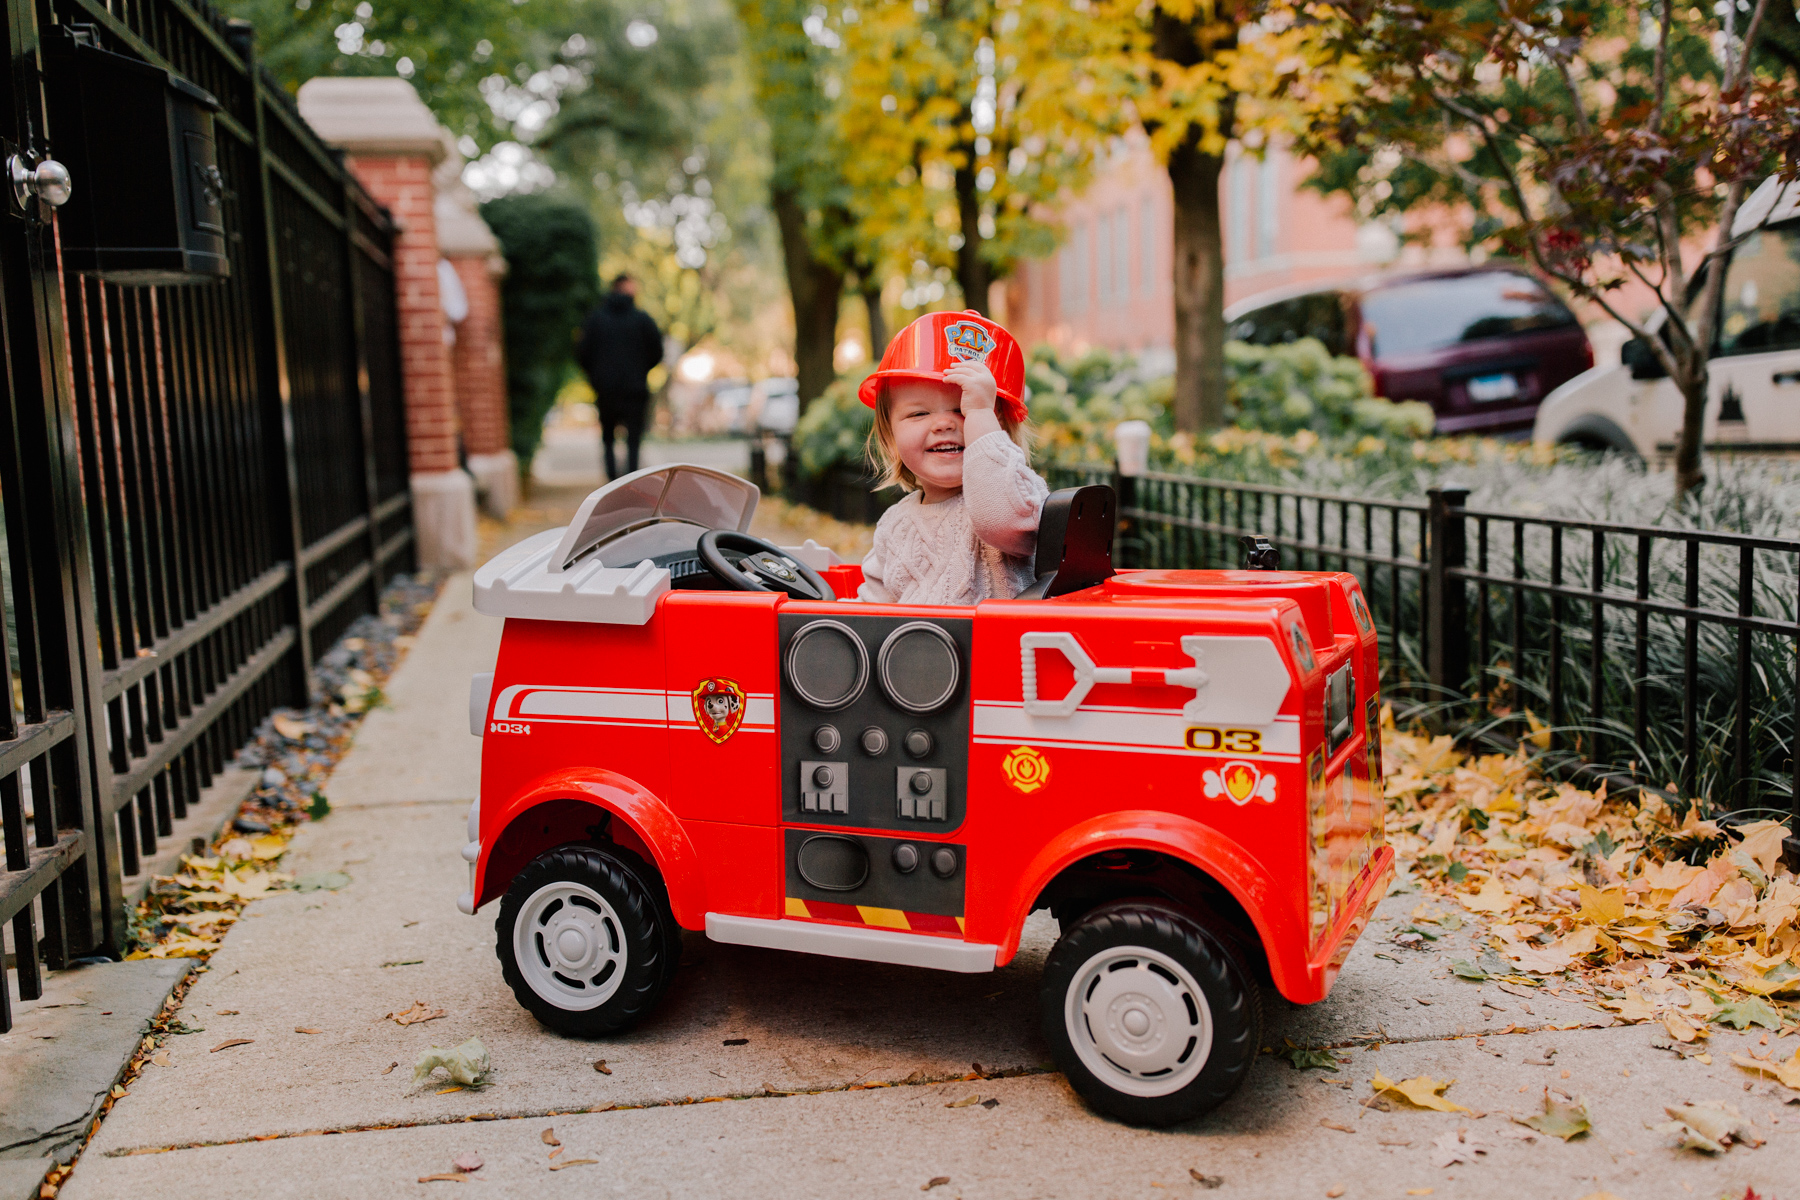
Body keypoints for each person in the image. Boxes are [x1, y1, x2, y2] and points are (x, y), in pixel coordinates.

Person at [855, 310, 1047, 605]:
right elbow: (874, 610)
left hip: (999, 650)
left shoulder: (1020, 494)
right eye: (919, 413)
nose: (944, 424)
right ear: (890, 436)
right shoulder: (894, 524)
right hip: (919, 650)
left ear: (1000, 428)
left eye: (962, 410)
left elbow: (1002, 521)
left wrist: (980, 415)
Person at [575, 274, 664, 479]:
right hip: (634, 388)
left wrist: (596, 376)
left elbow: (582, 353)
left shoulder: (595, 319)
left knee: (608, 439)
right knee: (633, 440)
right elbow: (657, 351)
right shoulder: (642, 319)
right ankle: (631, 481)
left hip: (606, 389)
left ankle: (611, 483)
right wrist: (641, 370)